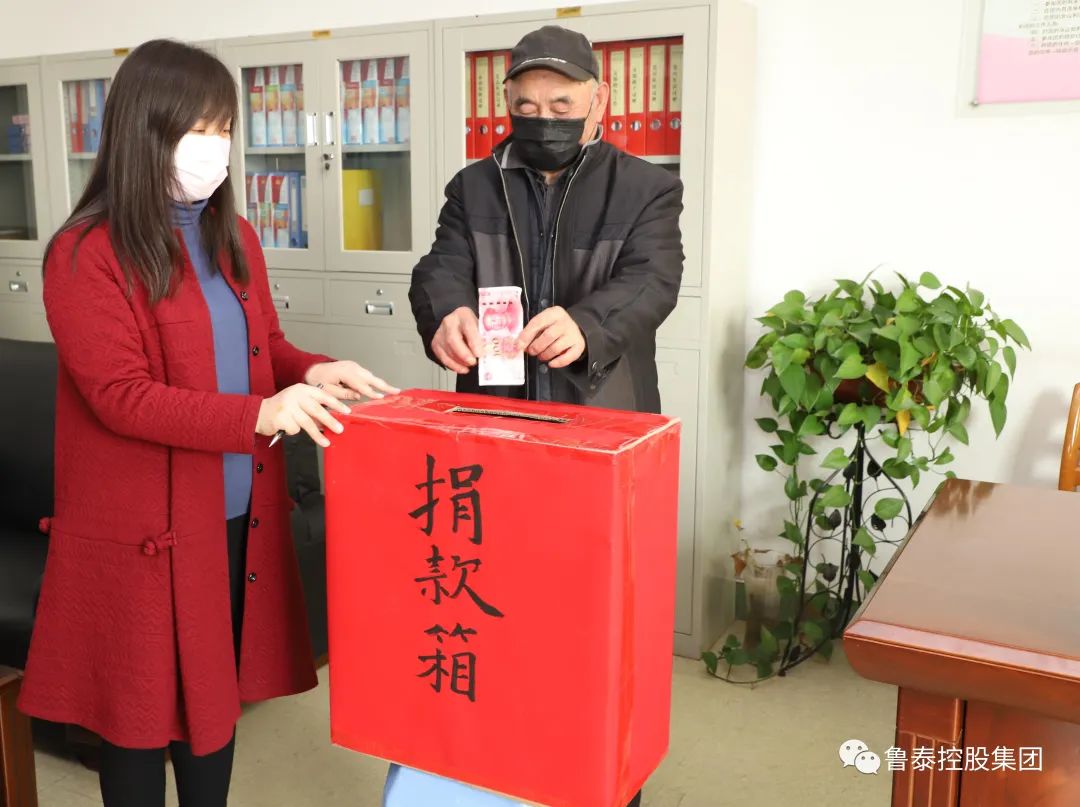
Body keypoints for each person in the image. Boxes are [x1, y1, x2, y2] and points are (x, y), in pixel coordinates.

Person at [16, 39, 398, 807]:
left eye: (224, 129)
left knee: (213, 706)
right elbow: (121, 395)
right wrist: (261, 413)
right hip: (143, 531)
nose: (214, 148)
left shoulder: (233, 234)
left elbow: (264, 345)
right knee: (137, 715)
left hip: (233, 514)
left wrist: (311, 370)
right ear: (144, 131)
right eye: (196, 129)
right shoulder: (85, 253)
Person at [408, 25, 685, 807]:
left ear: (600, 100)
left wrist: (587, 324)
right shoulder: (475, 185)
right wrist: (446, 312)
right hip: (494, 435)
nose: (544, 120)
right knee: (498, 613)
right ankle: (509, 774)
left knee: (597, 626)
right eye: (526, 107)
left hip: (599, 432)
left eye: (562, 105)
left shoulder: (645, 187)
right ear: (506, 104)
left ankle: (607, 783)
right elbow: (441, 267)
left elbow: (653, 279)